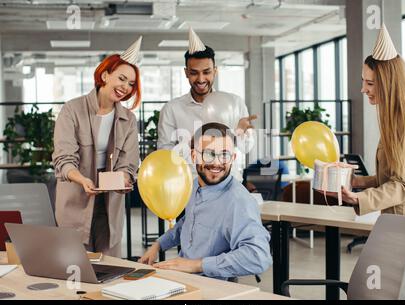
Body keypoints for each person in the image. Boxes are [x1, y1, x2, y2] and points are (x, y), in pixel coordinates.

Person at [332, 25, 405, 255]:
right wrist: (357, 182)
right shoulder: (399, 119)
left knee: (395, 290)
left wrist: (360, 198)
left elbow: (402, 186)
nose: (363, 89)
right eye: (364, 81)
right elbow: (396, 177)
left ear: (389, 83)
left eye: (370, 83)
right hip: (401, 218)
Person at [139, 122, 272, 280]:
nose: (217, 163)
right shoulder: (193, 185)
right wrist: (158, 245)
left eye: (224, 155)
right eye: (209, 154)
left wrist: (196, 265)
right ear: (194, 156)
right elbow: (187, 222)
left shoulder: (238, 201)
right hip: (182, 278)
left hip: (211, 286)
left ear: (233, 158)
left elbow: (259, 257)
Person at [52, 37, 142, 257]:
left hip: (110, 201)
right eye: (121, 78)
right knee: (75, 264)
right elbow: (63, 159)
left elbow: (129, 164)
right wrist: (82, 180)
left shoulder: (128, 119)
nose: (125, 87)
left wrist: (126, 180)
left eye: (131, 84)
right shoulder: (72, 110)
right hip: (76, 196)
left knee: (109, 264)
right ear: (104, 75)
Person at [157, 28, 256, 179]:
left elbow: (247, 148)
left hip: (228, 182)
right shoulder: (172, 109)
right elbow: (164, 154)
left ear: (215, 71)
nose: (201, 79)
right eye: (194, 73)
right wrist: (190, 144)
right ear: (186, 73)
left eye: (207, 72)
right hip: (189, 184)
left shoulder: (234, 103)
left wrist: (241, 133)